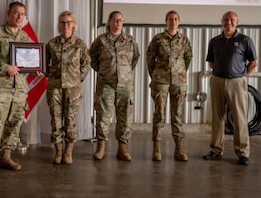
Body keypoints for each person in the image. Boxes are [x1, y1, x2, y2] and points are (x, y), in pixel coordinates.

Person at [0, 1, 37, 177]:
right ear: (8, 13)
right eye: (16, 13)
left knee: (14, 123)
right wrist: (6, 68)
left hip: (19, 89)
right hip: (0, 87)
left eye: (22, 14)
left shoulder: (25, 38)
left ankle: (6, 157)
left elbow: (30, 61)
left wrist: (35, 68)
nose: (19, 17)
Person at [203, 11, 258, 165]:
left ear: (237, 22)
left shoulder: (245, 40)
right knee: (217, 117)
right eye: (226, 20)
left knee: (239, 117)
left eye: (232, 20)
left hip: (237, 83)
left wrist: (242, 76)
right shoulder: (214, 41)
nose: (229, 22)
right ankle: (215, 149)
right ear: (221, 21)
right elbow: (211, 62)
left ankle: (242, 153)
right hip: (217, 81)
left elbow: (253, 62)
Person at [89, 11, 140, 161]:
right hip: (105, 84)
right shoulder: (101, 40)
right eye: (115, 19)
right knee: (103, 116)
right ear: (109, 21)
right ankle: (101, 147)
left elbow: (135, 58)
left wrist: (124, 73)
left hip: (125, 85)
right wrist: (104, 71)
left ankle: (122, 148)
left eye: (120, 20)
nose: (118, 22)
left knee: (124, 117)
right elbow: (91, 58)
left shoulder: (130, 41)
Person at [45, 11, 91, 165]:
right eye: (63, 22)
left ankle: (68, 151)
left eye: (69, 22)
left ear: (74, 24)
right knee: (56, 120)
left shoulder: (80, 44)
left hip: (73, 89)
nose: (66, 25)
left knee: (70, 121)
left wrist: (77, 79)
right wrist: (49, 76)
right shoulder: (51, 44)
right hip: (55, 88)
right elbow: (44, 64)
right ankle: (58, 151)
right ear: (59, 25)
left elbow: (86, 64)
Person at [146, 10, 192, 162]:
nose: (173, 21)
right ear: (166, 21)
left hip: (179, 82)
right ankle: (157, 148)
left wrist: (180, 73)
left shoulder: (184, 39)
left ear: (179, 22)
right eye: (170, 19)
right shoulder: (158, 39)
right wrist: (156, 75)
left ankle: (179, 149)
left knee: (177, 115)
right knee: (159, 114)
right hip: (161, 81)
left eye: (175, 19)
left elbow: (188, 58)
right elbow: (150, 58)